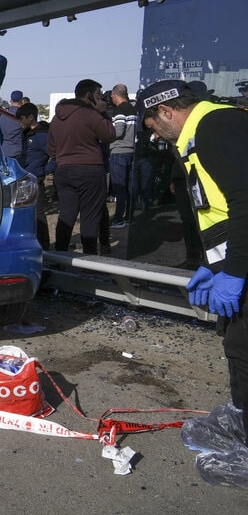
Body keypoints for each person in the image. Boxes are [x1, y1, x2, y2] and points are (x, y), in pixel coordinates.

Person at [137, 79, 248, 487]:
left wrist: (234, 271)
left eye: (153, 124)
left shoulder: (219, 127)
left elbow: (246, 201)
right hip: (234, 261)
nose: (154, 134)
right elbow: (217, 210)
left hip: (243, 264)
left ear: (167, 112)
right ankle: (242, 419)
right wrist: (211, 264)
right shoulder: (202, 137)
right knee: (237, 344)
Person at [47, 79, 116, 254]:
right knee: (90, 218)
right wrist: (103, 114)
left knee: (66, 217)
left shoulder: (56, 118)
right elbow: (109, 134)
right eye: (99, 95)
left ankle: (60, 256)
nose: (101, 99)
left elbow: (51, 149)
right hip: (90, 171)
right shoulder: (91, 114)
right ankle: (89, 262)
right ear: (89, 95)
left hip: (63, 171)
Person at [16, 103, 52, 250]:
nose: (20, 123)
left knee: (38, 216)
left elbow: (56, 156)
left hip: (36, 179)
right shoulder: (27, 134)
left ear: (31, 117)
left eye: (21, 119)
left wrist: (43, 171)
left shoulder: (41, 135)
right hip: (26, 178)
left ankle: (44, 248)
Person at [108, 84, 137, 227]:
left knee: (119, 187)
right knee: (130, 187)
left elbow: (118, 131)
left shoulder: (119, 110)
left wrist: (106, 134)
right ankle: (129, 217)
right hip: (132, 151)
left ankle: (118, 218)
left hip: (119, 152)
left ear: (114, 95)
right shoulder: (133, 109)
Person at [0, 90, 25, 161]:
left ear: (11, 100)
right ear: (22, 101)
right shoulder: (21, 116)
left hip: (5, 149)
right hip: (17, 152)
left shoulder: (3, 115)